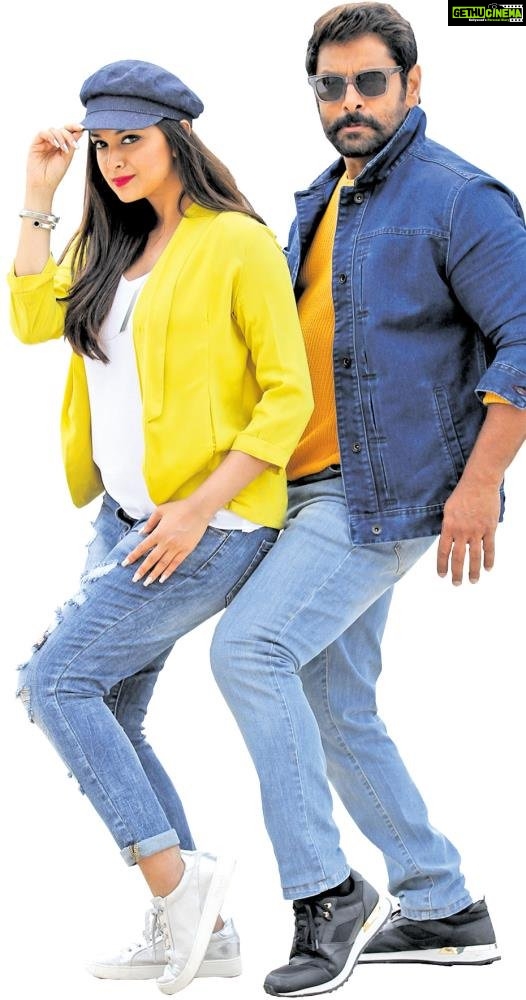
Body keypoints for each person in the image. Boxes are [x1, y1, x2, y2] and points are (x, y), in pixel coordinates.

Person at [209, 3, 526, 996]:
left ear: (412, 84)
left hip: (380, 494)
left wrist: (481, 480)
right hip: (304, 487)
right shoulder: (321, 198)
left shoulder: (458, 198)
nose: (349, 101)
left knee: (250, 651)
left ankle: (326, 893)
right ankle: (443, 905)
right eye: (330, 86)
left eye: (369, 82)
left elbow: (525, 341)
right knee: (333, 697)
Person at [8, 59, 313, 995]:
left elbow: (288, 397)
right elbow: (30, 320)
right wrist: (39, 193)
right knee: (107, 706)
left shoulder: (237, 243)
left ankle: (179, 888)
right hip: (125, 521)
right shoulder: (112, 242)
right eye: (102, 144)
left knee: (54, 682)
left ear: (177, 139)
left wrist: (198, 508)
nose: (114, 159)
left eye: (131, 141)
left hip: (210, 526)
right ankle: (204, 932)